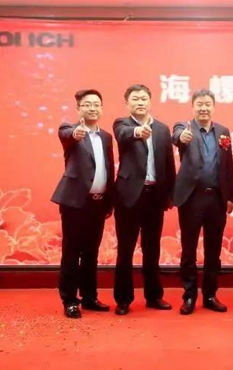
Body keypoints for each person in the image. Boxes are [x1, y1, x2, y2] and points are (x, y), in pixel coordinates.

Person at [113, 84, 176, 316]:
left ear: (150, 102)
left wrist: (170, 194)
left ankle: (154, 296)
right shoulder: (122, 124)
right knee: (125, 250)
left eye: (143, 99)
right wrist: (138, 132)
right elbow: (122, 135)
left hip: (154, 197)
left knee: (152, 249)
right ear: (127, 103)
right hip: (128, 197)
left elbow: (169, 163)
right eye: (135, 99)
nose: (140, 103)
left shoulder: (162, 129)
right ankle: (123, 299)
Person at [51, 89, 114, 318]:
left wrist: (109, 200)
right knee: (71, 252)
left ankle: (89, 297)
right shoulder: (69, 130)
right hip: (75, 203)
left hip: (98, 203)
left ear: (101, 108)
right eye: (87, 104)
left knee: (91, 253)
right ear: (79, 108)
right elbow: (68, 134)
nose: (93, 108)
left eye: (96, 104)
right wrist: (76, 133)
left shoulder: (106, 137)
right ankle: (69, 300)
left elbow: (109, 167)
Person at [172, 89, 233, 315]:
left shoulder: (223, 132)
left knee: (213, 250)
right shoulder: (184, 127)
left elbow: (228, 166)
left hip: (216, 199)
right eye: (199, 104)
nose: (204, 108)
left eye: (208, 104)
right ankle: (189, 296)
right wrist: (182, 137)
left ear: (213, 106)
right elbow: (177, 136)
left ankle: (210, 294)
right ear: (193, 106)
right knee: (189, 250)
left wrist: (229, 197)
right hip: (192, 198)